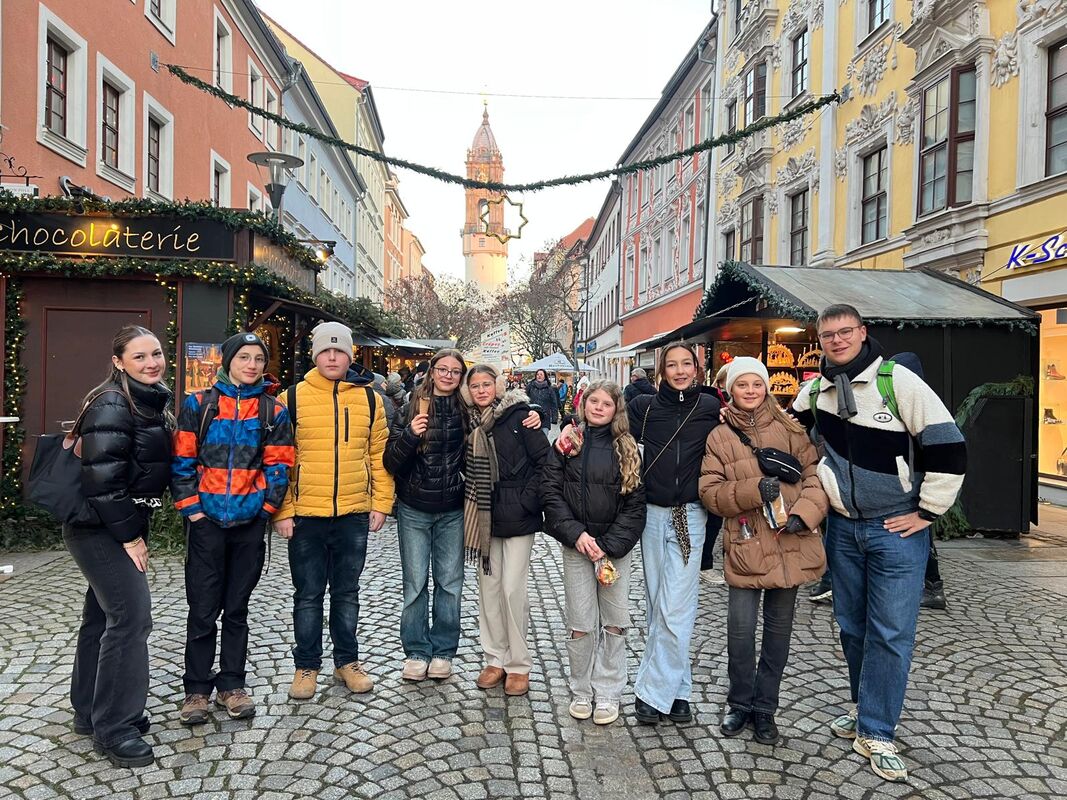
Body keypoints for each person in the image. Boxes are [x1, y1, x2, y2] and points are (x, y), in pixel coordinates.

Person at [792, 305, 966, 783]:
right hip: (844, 528)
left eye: (845, 331)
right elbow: (787, 432)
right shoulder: (817, 391)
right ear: (820, 340)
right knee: (851, 627)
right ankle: (864, 706)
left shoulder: (897, 382)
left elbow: (949, 446)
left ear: (862, 332)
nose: (837, 340)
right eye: (828, 334)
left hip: (895, 530)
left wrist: (926, 512)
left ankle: (877, 730)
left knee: (890, 632)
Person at [699, 357, 829, 745]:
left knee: (778, 635)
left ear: (767, 388)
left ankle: (765, 708)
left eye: (757, 384)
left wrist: (805, 514)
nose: (751, 391)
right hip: (747, 543)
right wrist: (753, 491)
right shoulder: (719, 436)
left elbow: (815, 476)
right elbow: (710, 492)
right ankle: (740, 703)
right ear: (731, 390)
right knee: (740, 632)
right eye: (743, 385)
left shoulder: (791, 428)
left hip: (790, 542)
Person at [172, 332, 295, 725]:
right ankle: (196, 690)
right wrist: (193, 511)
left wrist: (266, 509)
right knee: (202, 608)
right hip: (206, 522)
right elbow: (182, 462)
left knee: (237, 609)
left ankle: (232, 685)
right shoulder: (199, 405)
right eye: (244, 357)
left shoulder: (272, 410)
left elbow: (280, 465)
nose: (252, 365)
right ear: (228, 361)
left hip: (248, 524)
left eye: (258, 358)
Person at [64, 325, 173, 768]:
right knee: (131, 618)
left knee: (102, 617)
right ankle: (115, 727)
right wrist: (130, 537)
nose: (151, 363)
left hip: (112, 522)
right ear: (118, 362)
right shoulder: (113, 402)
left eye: (156, 353)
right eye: (139, 356)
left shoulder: (148, 399)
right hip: (99, 527)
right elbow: (104, 481)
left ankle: (90, 710)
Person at [273, 322, 395, 700]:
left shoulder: (370, 400)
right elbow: (280, 459)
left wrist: (381, 503)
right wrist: (283, 511)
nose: (331, 357)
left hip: (353, 513)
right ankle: (306, 665)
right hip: (306, 514)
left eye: (339, 350)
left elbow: (378, 456)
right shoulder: (291, 399)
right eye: (325, 350)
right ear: (315, 355)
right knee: (308, 594)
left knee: (346, 592)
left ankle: (347, 661)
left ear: (349, 355)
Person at [807, 352, 949, 612]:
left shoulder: (910, 397)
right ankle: (932, 584)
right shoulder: (827, 394)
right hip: (847, 517)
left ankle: (932, 585)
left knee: (890, 618)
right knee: (852, 620)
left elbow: (949, 449)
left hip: (897, 510)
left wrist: (928, 510)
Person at [541, 380, 646, 725]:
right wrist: (577, 534)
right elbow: (550, 492)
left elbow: (635, 506)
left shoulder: (628, 448)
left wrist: (609, 544)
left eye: (607, 403)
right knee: (580, 623)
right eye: (593, 401)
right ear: (583, 404)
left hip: (613, 550)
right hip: (578, 546)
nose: (599, 407)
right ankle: (581, 690)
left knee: (614, 622)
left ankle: (609, 692)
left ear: (617, 409)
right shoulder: (568, 443)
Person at [629, 342, 721, 725]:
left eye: (687, 364)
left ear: (697, 369)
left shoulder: (711, 407)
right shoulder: (644, 408)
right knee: (656, 602)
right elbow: (605, 423)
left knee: (677, 606)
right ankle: (680, 690)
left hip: (691, 515)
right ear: (661, 371)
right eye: (672, 365)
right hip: (652, 513)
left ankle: (652, 694)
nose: (680, 370)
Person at [463, 365, 549, 697]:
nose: (481, 390)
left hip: (518, 515)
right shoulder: (468, 421)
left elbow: (545, 462)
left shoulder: (519, 416)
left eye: (487, 384)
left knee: (513, 590)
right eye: (475, 385)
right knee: (489, 589)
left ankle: (518, 664)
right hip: (484, 515)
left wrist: (527, 500)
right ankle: (494, 659)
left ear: (498, 386)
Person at [385, 349, 469, 682]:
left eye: (455, 371)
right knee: (415, 583)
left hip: (452, 509)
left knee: (449, 583)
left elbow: (501, 412)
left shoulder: (466, 410)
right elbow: (390, 461)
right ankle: (417, 651)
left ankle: (444, 651)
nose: (448, 375)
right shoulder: (409, 407)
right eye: (443, 369)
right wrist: (410, 434)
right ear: (432, 372)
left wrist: (534, 412)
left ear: (461, 377)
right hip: (414, 508)